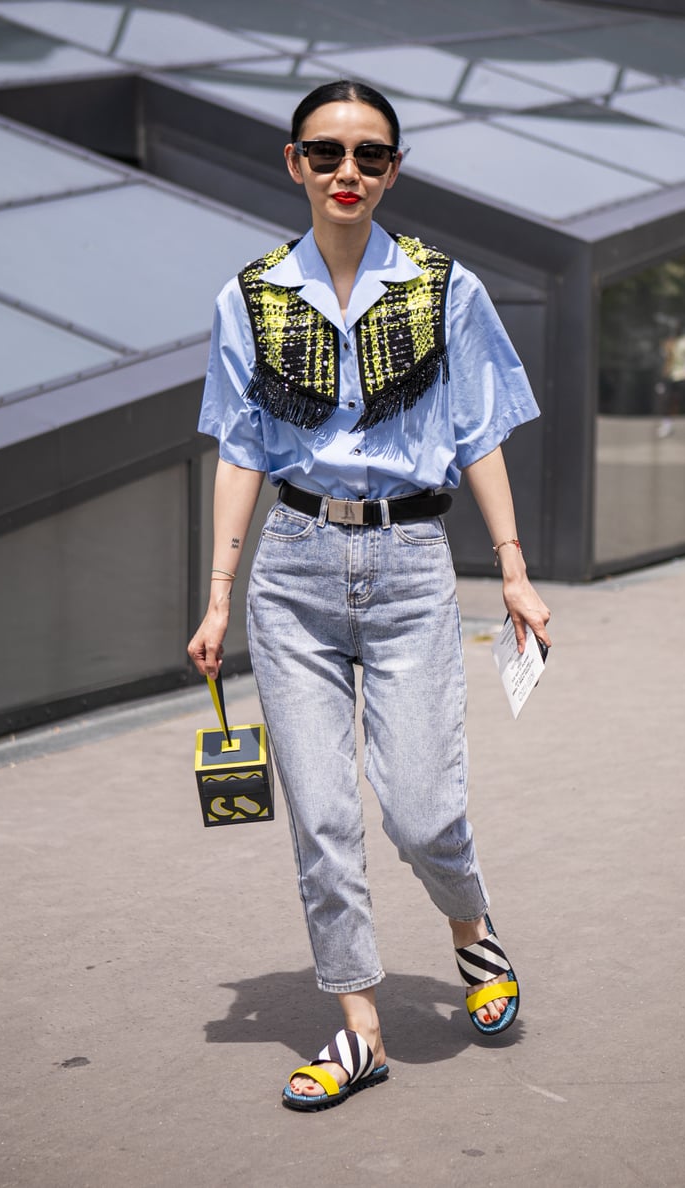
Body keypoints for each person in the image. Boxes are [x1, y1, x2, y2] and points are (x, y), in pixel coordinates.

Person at [188, 79, 552, 1113]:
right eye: (326, 151)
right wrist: (218, 597)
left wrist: (515, 571)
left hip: (408, 571)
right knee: (323, 821)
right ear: (292, 161)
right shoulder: (249, 295)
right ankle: (360, 1030)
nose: (347, 171)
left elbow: (478, 432)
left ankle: (471, 927)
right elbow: (242, 452)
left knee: (426, 812)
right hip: (293, 572)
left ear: (395, 170)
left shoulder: (447, 289)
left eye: (370, 155)